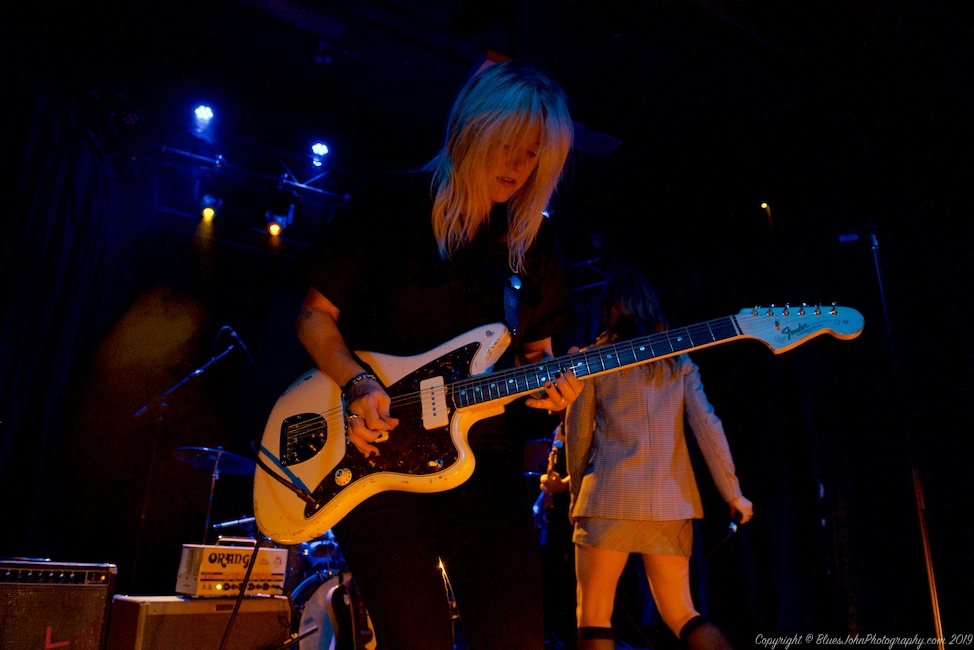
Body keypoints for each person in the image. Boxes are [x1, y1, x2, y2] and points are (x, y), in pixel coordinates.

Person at [296, 59, 584, 650]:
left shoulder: (533, 241)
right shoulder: (388, 203)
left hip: (486, 464)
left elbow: (537, 354)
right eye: (506, 146)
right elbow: (314, 316)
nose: (516, 166)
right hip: (376, 462)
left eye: (532, 155)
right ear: (470, 129)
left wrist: (554, 389)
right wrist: (357, 384)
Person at [564, 268, 754, 650]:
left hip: (607, 500)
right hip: (671, 504)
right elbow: (708, 426)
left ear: (609, 310)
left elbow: (578, 437)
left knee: (594, 616)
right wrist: (733, 493)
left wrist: (575, 498)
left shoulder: (591, 361)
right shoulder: (677, 359)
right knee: (682, 613)